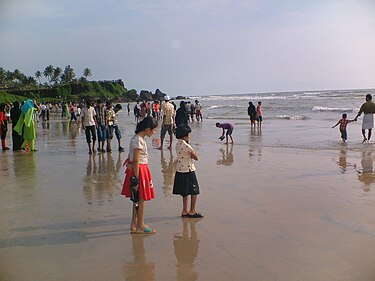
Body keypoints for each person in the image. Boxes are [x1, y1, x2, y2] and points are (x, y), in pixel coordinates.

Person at [121, 116, 159, 234]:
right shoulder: (138, 140)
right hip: (139, 171)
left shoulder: (137, 139)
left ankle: (134, 223)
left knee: (136, 199)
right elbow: (136, 160)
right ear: (147, 129)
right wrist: (136, 179)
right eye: (154, 130)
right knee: (141, 200)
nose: (154, 132)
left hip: (138, 169)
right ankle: (140, 225)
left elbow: (131, 157)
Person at [173, 125, 203, 218]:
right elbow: (196, 157)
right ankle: (192, 210)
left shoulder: (177, 144)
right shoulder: (187, 146)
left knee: (184, 192)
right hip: (188, 169)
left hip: (180, 169)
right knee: (194, 190)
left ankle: (184, 210)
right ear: (185, 135)